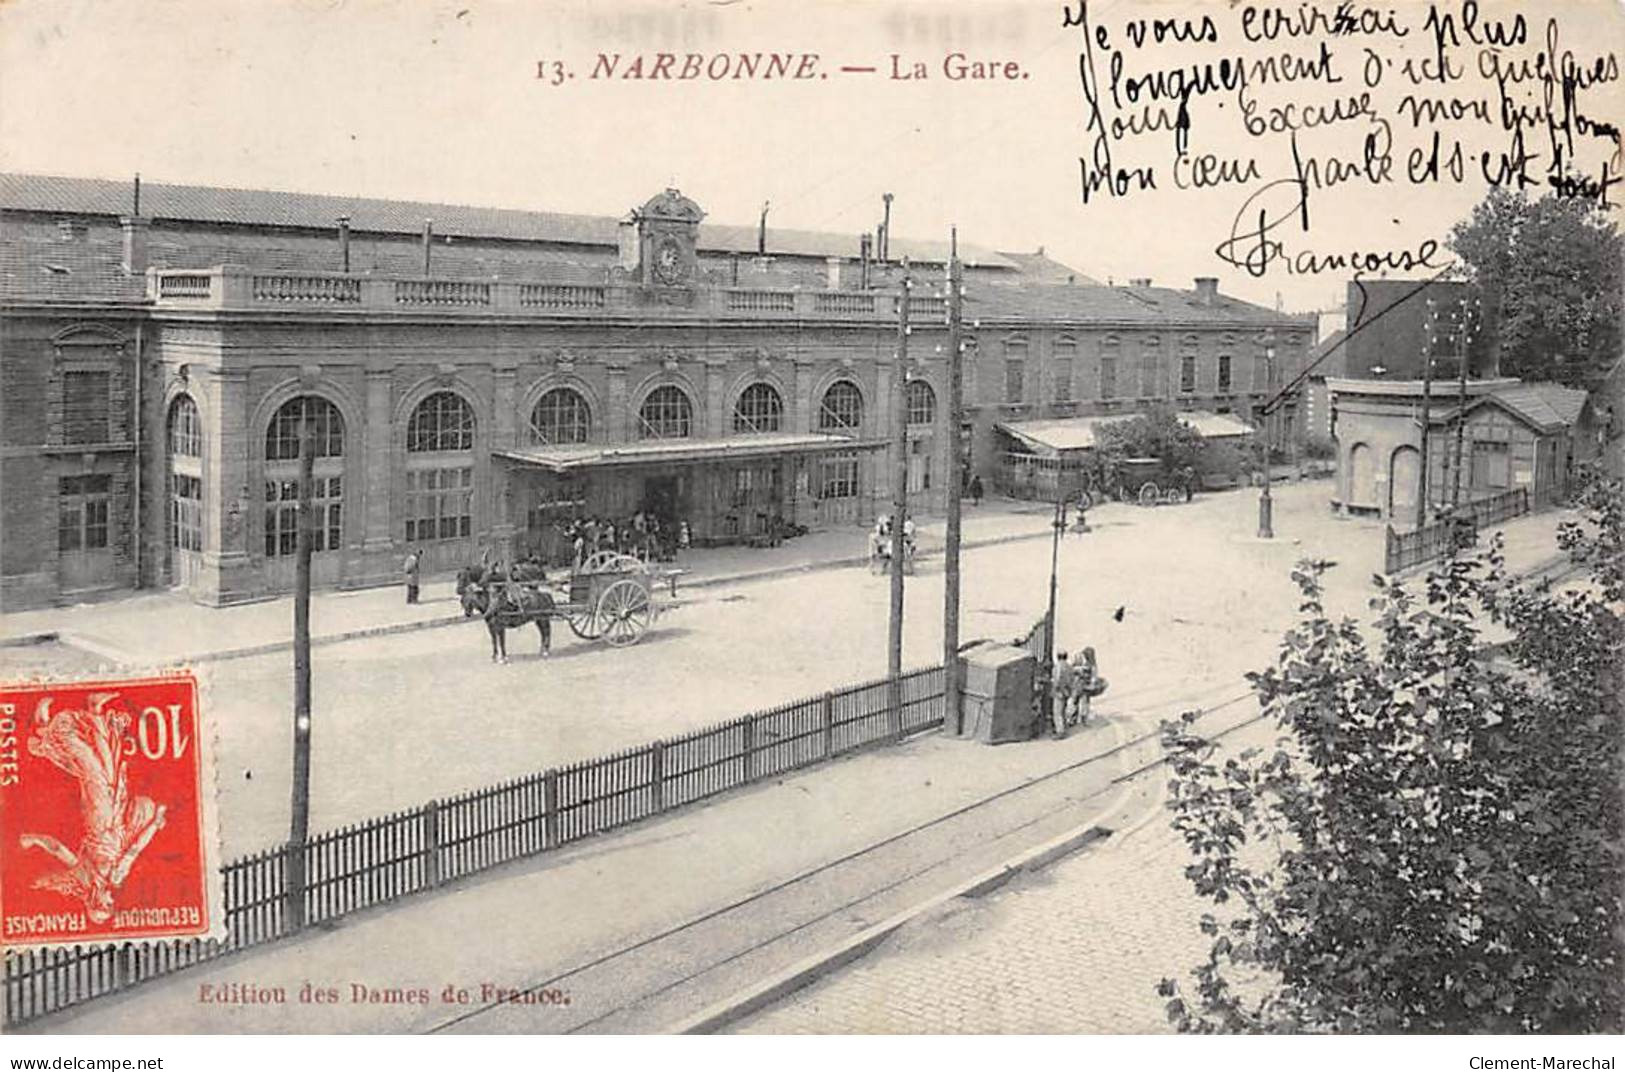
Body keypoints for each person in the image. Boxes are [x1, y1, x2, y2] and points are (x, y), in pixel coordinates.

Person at [1051, 651, 1077, 738]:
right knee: (1063, 711)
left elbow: (1058, 679)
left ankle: (1060, 731)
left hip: (1059, 692)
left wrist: (1055, 687)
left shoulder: (1058, 666)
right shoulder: (1069, 667)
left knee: (1057, 712)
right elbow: (1072, 680)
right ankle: (1064, 728)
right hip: (1067, 691)